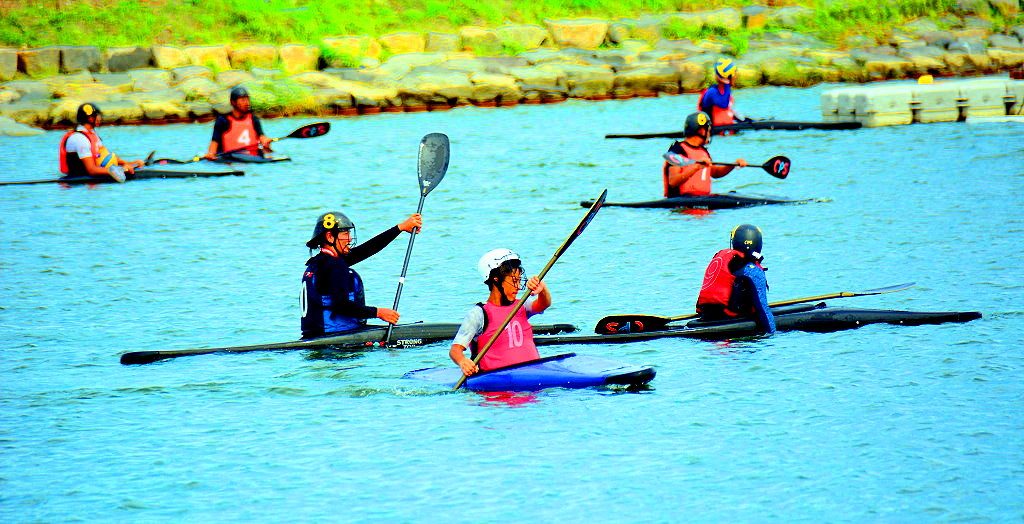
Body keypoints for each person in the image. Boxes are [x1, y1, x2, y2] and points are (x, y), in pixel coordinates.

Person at [300, 210, 422, 339]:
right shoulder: (335, 265)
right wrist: (379, 312)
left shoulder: (318, 262)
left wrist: (400, 228)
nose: (350, 239)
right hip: (334, 336)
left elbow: (367, 249)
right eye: (345, 234)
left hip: (313, 335)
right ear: (330, 237)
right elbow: (342, 306)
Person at [449, 249, 552, 377]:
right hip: (496, 382)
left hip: (532, 374)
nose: (518, 287)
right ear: (496, 279)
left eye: (519, 281)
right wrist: (463, 361)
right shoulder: (479, 314)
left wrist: (542, 289)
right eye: (514, 281)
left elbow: (544, 304)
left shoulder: (522, 305)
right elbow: (455, 350)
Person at [695, 224, 776, 334]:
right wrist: (772, 333)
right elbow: (762, 307)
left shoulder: (721, 258)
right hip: (730, 316)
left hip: (707, 313)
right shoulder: (752, 269)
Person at [663, 111, 746, 197]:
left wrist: (733, 165)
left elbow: (715, 172)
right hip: (681, 201)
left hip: (701, 199)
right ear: (701, 131)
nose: (709, 134)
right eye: (708, 131)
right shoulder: (677, 150)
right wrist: (696, 168)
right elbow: (673, 181)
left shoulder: (703, 151)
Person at [58, 102, 145, 182]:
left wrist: (128, 163)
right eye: (98, 116)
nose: (100, 118)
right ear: (91, 119)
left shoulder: (92, 135)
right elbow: (91, 170)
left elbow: (105, 157)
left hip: (91, 177)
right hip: (78, 184)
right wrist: (121, 170)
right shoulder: (80, 139)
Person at [204, 86, 272, 161]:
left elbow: (261, 136)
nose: (246, 103)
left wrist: (265, 141)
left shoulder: (253, 118)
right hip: (230, 158)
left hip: (252, 157)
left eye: (247, 100)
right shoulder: (223, 120)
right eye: (242, 100)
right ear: (233, 102)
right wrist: (211, 153)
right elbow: (215, 141)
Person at [697, 58, 750, 128]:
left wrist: (745, 120)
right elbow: (724, 105)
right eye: (734, 74)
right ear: (728, 77)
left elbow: (728, 111)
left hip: (725, 129)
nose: (735, 77)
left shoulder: (723, 93)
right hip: (714, 131)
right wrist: (727, 83)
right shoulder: (712, 92)